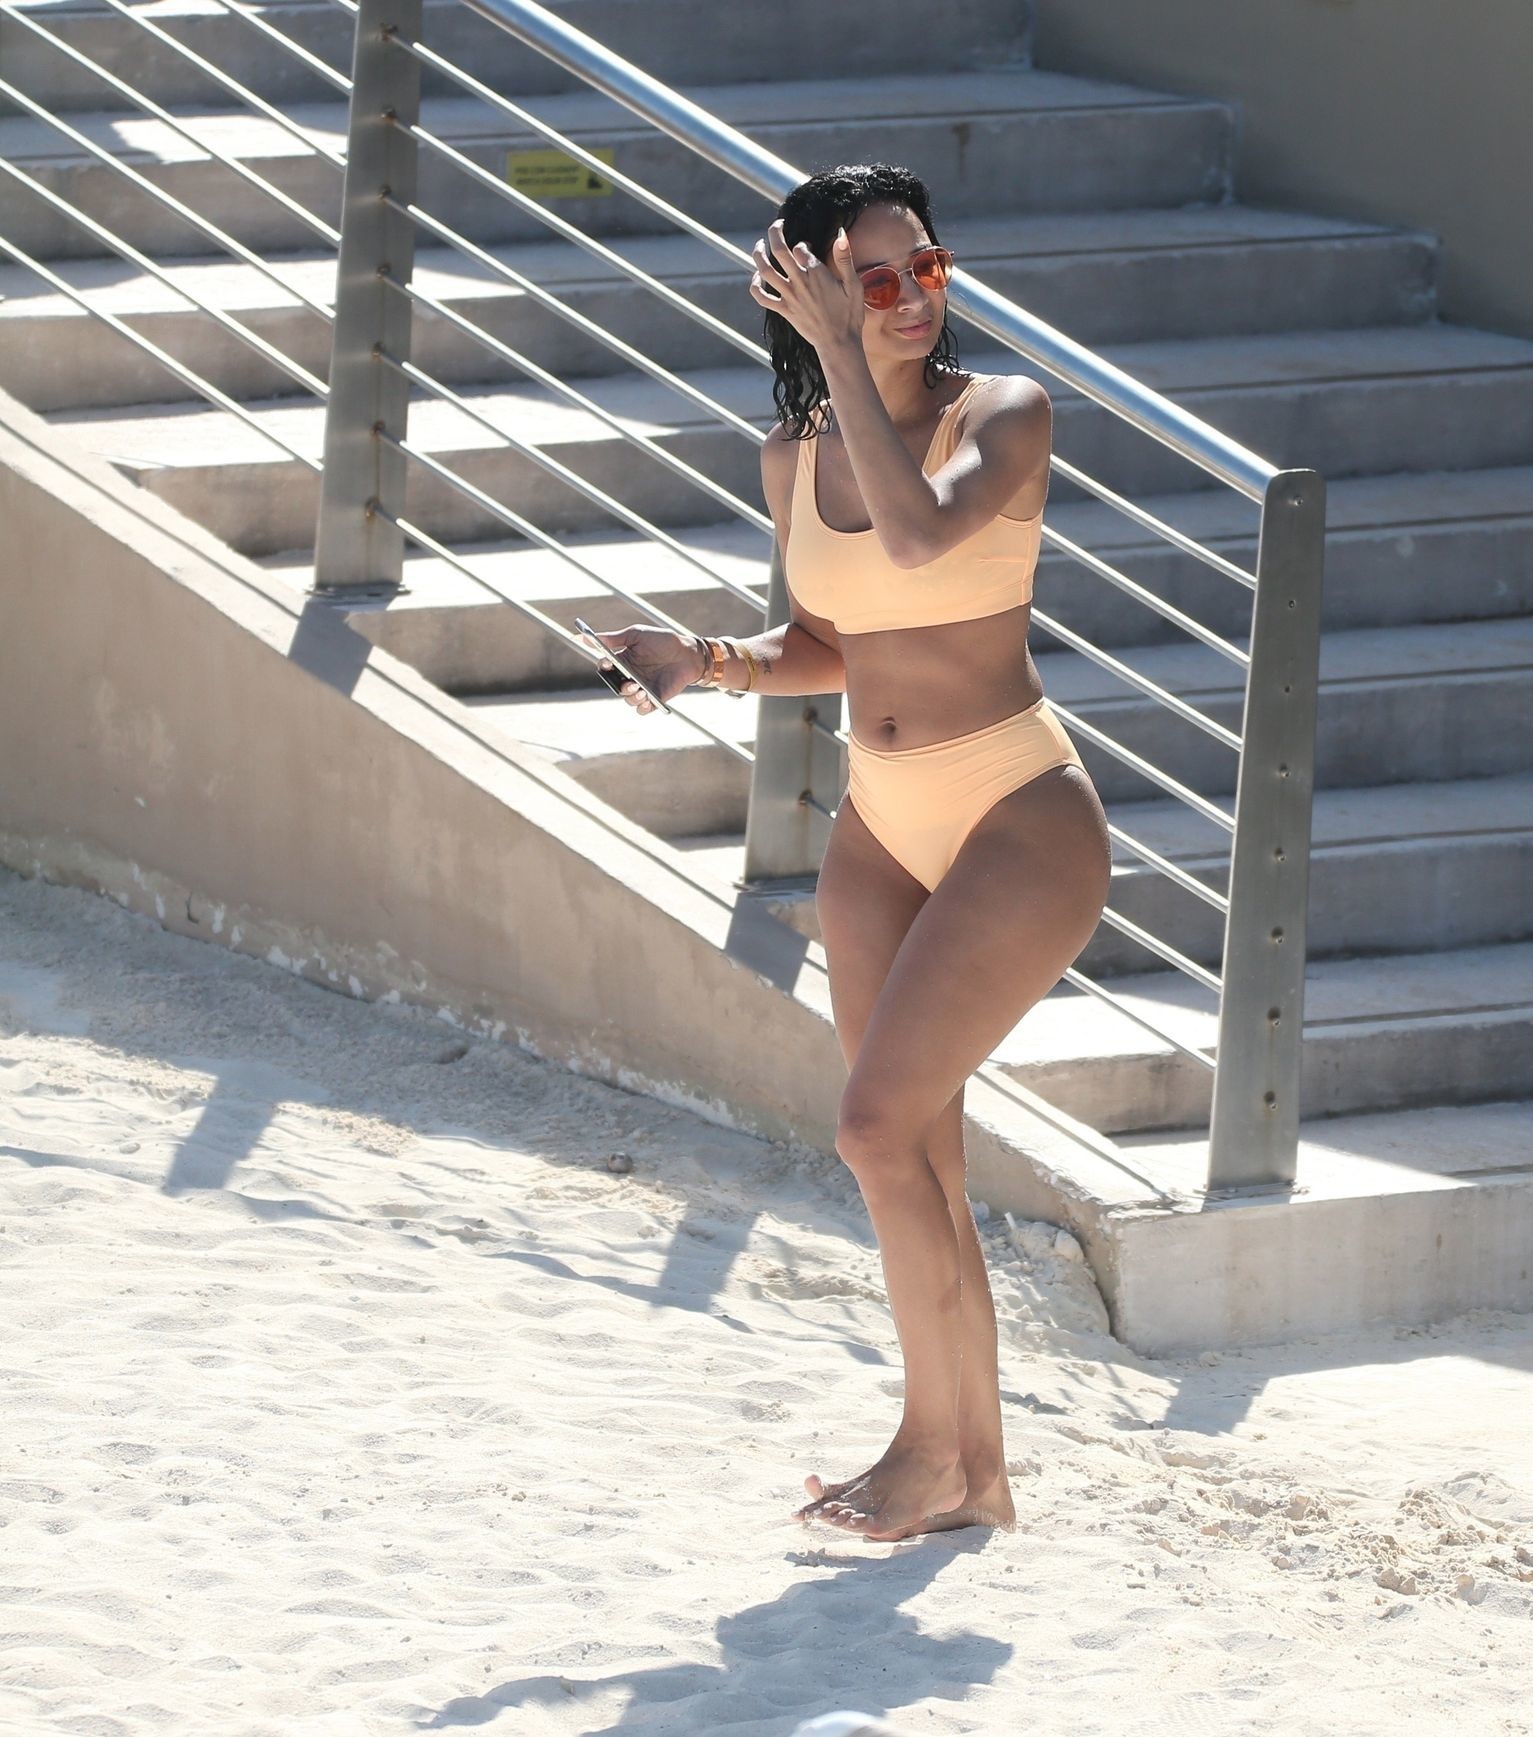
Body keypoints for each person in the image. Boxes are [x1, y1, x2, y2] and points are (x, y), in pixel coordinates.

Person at [582, 164, 1111, 1542]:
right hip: (880, 822)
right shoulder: (792, 457)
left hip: (1017, 811)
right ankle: (967, 1468)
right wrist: (700, 657)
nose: (910, 298)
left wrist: (840, 353)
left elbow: (921, 540)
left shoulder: (1003, 414)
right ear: (805, 287)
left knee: (871, 1128)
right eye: (872, 279)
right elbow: (834, 638)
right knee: (913, 1153)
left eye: (924, 267)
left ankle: (935, 1453)